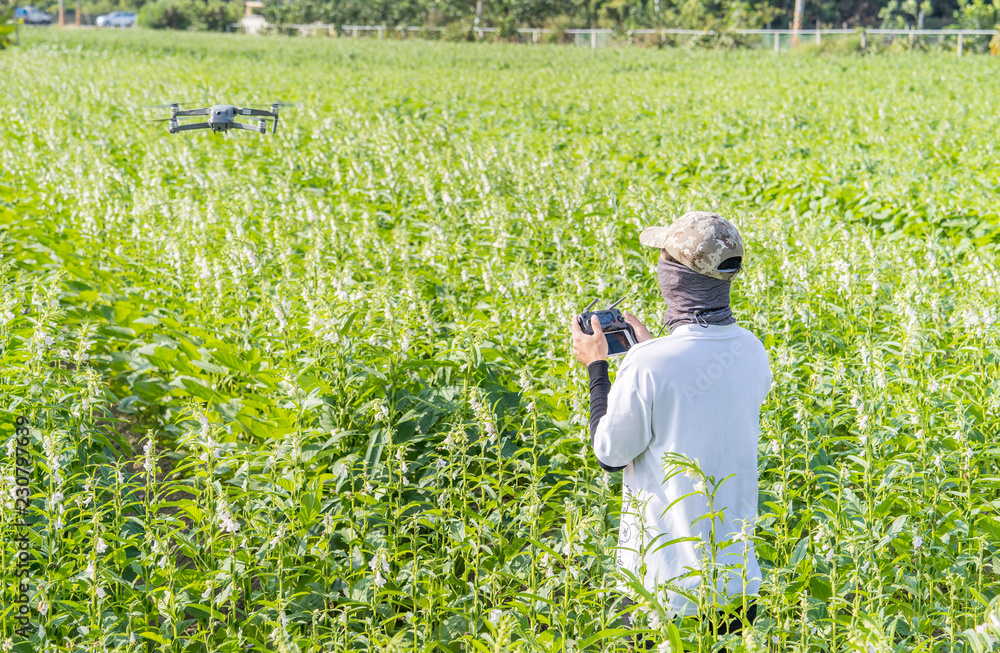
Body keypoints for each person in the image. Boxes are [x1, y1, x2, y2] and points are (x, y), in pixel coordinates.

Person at [569, 211, 772, 650]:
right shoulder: (753, 350)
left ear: (674, 279)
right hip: (735, 583)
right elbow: (701, 398)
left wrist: (599, 368)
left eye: (663, 259)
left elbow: (610, 453)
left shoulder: (650, 364)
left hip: (664, 590)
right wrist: (653, 350)